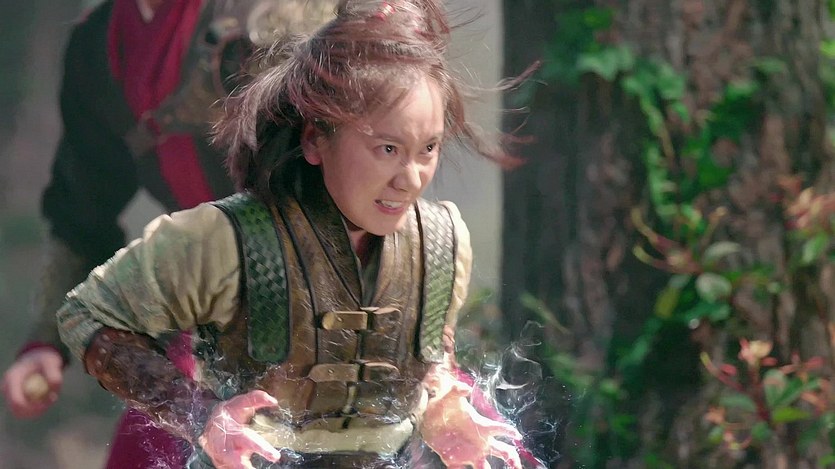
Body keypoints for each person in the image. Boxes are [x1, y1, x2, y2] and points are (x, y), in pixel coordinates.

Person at [57, 0, 530, 467]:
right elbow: (87, 314)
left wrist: (443, 407)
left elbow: (431, 356)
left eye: (427, 149)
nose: (410, 179)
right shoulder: (224, 241)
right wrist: (198, 415)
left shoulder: (441, 242)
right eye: (387, 149)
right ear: (315, 139)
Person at [1, 0, 337, 467]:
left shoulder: (275, 12)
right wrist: (46, 342)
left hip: (323, 306)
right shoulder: (99, 43)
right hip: (206, 316)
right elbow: (83, 211)